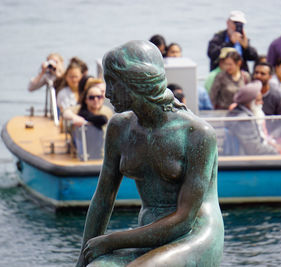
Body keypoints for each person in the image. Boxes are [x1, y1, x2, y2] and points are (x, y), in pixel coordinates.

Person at [76, 40, 224, 267]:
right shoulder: (119, 128)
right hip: (149, 233)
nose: (107, 94)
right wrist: (83, 260)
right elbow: (104, 197)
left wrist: (111, 241)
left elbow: (184, 219)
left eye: (113, 82)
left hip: (194, 234)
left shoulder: (197, 134)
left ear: (137, 82)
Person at [227, 81, 279, 155]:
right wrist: (274, 151)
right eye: (258, 100)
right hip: (248, 162)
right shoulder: (244, 120)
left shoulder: (245, 114)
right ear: (249, 103)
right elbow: (254, 149)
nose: (262, 103)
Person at [253, 62, 281, 144]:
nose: (258, 76)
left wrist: (271, 137)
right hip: (252, 137)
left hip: (272, 136)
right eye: (256, 73)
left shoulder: (277, 95)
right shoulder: (248, 94)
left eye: (262, 74)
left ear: (270, 77)